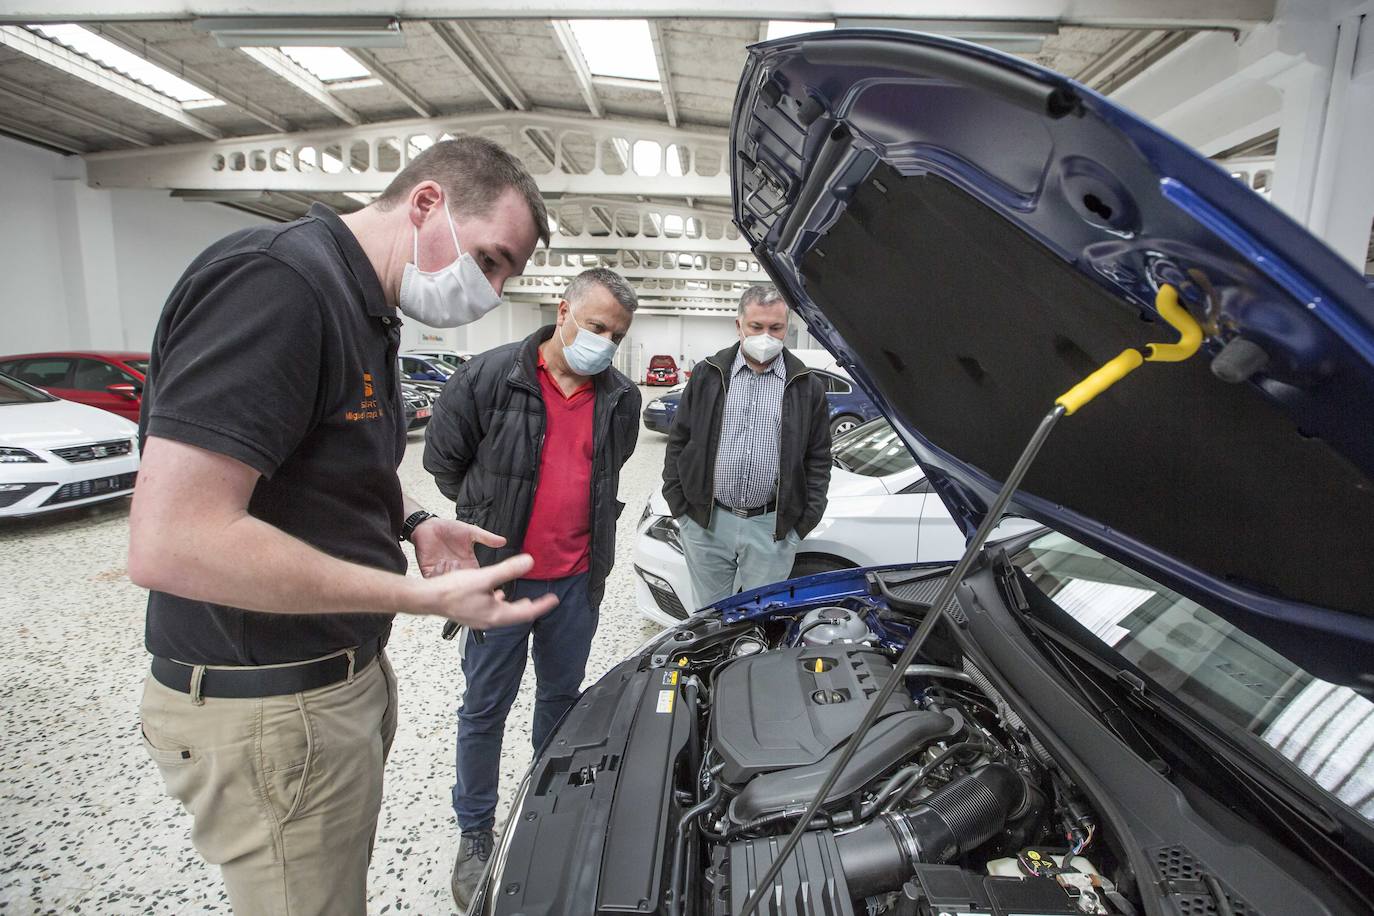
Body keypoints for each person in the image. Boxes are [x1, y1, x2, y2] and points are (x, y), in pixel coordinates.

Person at [127, 137, 560, 916]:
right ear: (426, 203)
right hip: (266, 705)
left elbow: (328, 462)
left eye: (507, 277)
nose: (492, 292)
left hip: (327, 686)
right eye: (492, 261)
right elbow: (174, 540)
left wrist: (416, 520)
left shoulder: (366, 308)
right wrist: (418, 600)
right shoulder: (280, 283)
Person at [422, 267, 641, 908]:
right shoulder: (491, 377)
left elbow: (609, 469)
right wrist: (487, 516)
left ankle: (549, 813)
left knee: (562, 703)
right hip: (500, 583)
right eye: (596, 325)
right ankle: (476, 833)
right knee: (484, 708)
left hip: (574, 582)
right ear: (562, 308)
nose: (603, 341)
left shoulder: (619, 399)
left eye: (616, 334)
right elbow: (443, 461)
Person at [662, 284, 832, 607]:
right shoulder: (708, 374)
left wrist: (797, 530)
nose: (765, 336)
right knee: (708, 622)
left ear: (787, 329)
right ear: (739, 325)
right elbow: (679, 440)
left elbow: (819, 460)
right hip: (707, 523)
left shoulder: (806, 386)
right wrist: (682, 511)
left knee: (760, 621)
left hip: (770, 530)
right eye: (756, 326)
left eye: (775, 328)